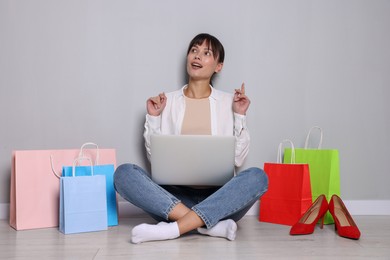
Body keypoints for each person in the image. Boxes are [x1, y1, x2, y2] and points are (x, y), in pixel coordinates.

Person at [114, 33, 268, 244]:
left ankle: (173, 229)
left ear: (218, 66)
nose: (197, 56)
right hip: (173, 199)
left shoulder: (228, 102)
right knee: (123, 174)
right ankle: (209, 226)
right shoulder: (167, 101)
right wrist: (154, 117)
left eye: (206, 53)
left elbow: (238, 159)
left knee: (258, 177)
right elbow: (156, 159)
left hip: (220, 198)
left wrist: (240, 115)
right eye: (194, 50)